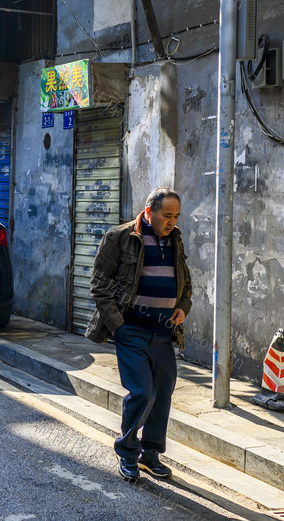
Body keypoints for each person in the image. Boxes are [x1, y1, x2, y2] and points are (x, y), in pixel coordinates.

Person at [86, 187, 192, 483]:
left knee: (162, 393)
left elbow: (186, 280)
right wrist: (117, 323)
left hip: (163, 330)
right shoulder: (120, 237)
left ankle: (150, 454)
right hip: (131, 328)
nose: (172, 222)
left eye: (176, 216)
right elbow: (99, 284)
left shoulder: (175, 239)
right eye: (167, 215)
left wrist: (183, 306)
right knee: (143, 392)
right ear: (149, 212)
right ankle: (127, 452)